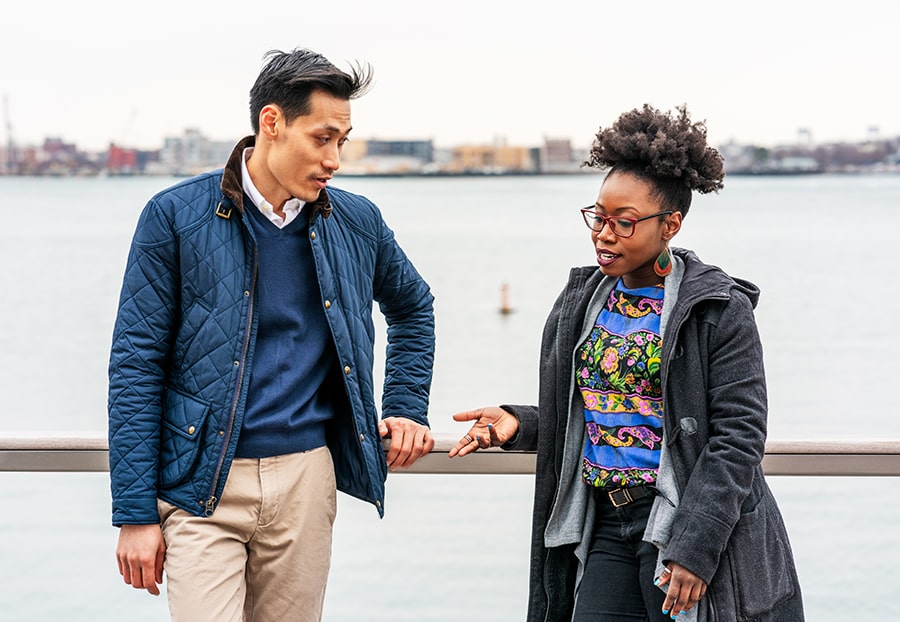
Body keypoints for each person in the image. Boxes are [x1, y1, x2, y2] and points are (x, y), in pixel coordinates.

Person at [108, 48, 436, 621]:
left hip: (308, 481)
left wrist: (405, 406)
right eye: (323, 138)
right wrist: (135, 513)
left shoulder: (357, 222)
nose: (335, 158)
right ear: (272, 122)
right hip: (200, 482)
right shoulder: (174, 217)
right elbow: (136, 363)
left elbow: (414, 309)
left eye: (344, 140)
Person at [449, 105, 804, 621]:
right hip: (606, 524)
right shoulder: (584, 301)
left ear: (671, 225)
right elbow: (600, 412)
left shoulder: (718, 309)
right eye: (598, 216)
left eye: (624, 222)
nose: (604, 233)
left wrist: (696, 547)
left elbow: (739, 436)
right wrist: (519, 422)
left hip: (681, 524)